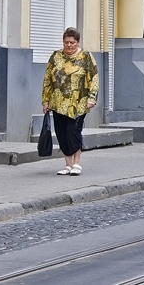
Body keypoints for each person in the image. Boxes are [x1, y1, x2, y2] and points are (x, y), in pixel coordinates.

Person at [41, 27, 99, 176]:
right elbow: (47, 79)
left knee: (73, 131)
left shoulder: (86, 57)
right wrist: (45, 100)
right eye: (66, 42)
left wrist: (92, 98)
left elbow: (94, 78)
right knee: (61, 133)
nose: (69, 45)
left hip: (78, 102)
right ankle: (68, 164)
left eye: (72, 42)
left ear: (77, 42)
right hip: (58, 102)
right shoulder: (56, 56)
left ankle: (77, 163)